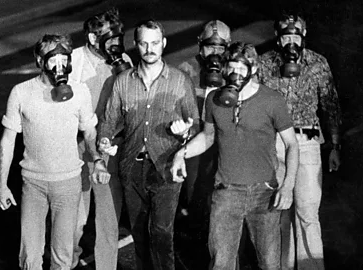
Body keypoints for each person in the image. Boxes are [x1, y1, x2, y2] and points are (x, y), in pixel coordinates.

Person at [170, 41, 299, 270]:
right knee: (221, 263)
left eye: (242, 68)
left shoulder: (272, 100)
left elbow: (292, 145)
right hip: (226, 192)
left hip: (264, 193)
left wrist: (287, 187)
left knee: (270, 264)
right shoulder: (214, 100)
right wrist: (182, 153)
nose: (235, 74)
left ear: (254, 69)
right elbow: (208, 136)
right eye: (231, 67)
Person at [0, 34, 110, 270]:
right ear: (39, 60)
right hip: (33, 184)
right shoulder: (21, 92)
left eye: (64, 59)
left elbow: (89, 132)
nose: (60, 66)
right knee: (30, 257)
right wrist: (2, 185)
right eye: (52, 59)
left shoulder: (79, 92)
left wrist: (97, 160)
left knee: (63, 257)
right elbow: (7, 142)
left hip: (68, 184)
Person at [96, 19, 199, 270]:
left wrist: (186, 132)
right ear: (136, 45)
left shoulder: (179, 80)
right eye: (144, 44)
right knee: (140, 234)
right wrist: (105, 142)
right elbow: (109, 122)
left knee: (162, 233)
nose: (149, 49)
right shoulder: (122, 81)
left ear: (163, 44)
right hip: (132, 168)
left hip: (166, 166)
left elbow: (195, 124)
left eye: (155, 43)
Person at [257, 13, 342, 270]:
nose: (291, 42)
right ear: (277, 38)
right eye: (286, 37)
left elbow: (330, 106)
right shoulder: (263, 63)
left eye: (296, 36)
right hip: (275, 144)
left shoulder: (317, 64)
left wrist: (335, 146)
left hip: (307, 143)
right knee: (279, 211)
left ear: (303, 37)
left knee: (307, 213)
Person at [70, 8, 132, 270]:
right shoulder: (72, 62)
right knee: (75, 215)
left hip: (110, 146)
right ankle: (68, 261)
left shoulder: (123, 60)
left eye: (119, 39)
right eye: (110, 40)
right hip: (79, 144)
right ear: (94, 39)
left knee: (109, 217)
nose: (116, 46)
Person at [176, 19, 231, 235]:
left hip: (223, 143)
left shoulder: (234, 70)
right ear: (201, 46)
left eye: (220, 48)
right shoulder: (186, 70)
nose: (215, 53)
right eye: (210, 47)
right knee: (193, 195)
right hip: (196, 141)